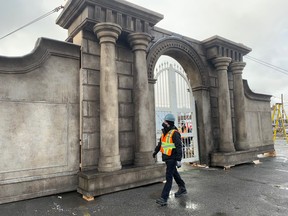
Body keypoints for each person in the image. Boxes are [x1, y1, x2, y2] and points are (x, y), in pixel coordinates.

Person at [153, 113, 187, 206]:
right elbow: (160, 144)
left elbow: (179, 146)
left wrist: (179, 159)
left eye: (164, 121)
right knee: (174, 173)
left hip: (172, 158)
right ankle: (182, 188)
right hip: (167, 158)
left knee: (169, 178)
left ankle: (164, 198)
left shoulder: (174, 133)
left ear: (168, 123)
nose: (163, 122)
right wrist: (155, 152)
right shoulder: (165, 132)